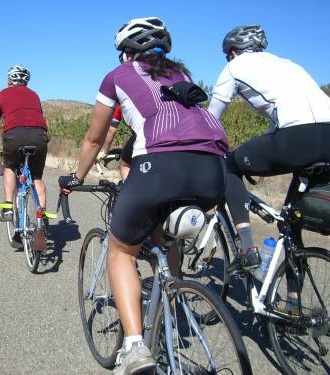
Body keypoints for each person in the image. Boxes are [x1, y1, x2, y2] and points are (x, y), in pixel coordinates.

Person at [59, 17, 228, 375]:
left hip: (161, 168)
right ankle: (173, 294)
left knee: (121, 251)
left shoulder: (118, 76)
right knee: (165, 239)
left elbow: (93, 137)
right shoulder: (182, 77)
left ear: (126, 53)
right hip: (213, 169)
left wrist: (76, 177)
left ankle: (134, 349)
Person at [208, 24, 330, 274]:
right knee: (292, 220)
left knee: (229, 165)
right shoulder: (289, 65)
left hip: (297, 137)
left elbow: (211, 120)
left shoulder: (234, 67)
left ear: (234, 52)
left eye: (228, 54)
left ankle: (247, 250)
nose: (228, 59)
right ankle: (293, 304)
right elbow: (283, 119)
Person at [0, 65, 50, 222]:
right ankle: (43, 218)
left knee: (10, 167)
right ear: (26, 81)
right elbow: (43, 122)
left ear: (9, 80)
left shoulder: (2, 94)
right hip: (39, 135)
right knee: (36, 177)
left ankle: (8, 208)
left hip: (14, 135)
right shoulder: (34, 95)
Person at [97, 104, 135, 180]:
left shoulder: (120, 103)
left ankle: (130, 189)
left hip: (141, 136)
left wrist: (104, 151)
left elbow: (111, 130)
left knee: (124, 165)